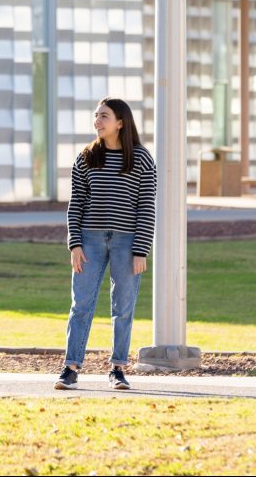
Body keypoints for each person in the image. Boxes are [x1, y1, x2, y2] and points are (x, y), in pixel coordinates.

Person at [55, 98, 156, 391]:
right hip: (90, 240)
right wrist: (75, 244)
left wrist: (141, 250)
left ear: (120, 123)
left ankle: (118, 369)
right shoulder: (86, 157)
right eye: (96, 116)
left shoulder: (141, 159)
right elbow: (76, 205)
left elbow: (146, 207)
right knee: (81, 305)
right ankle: (71, 368)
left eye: (104, 116)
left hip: (127, 243)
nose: (97, 121)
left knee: (123, 307)